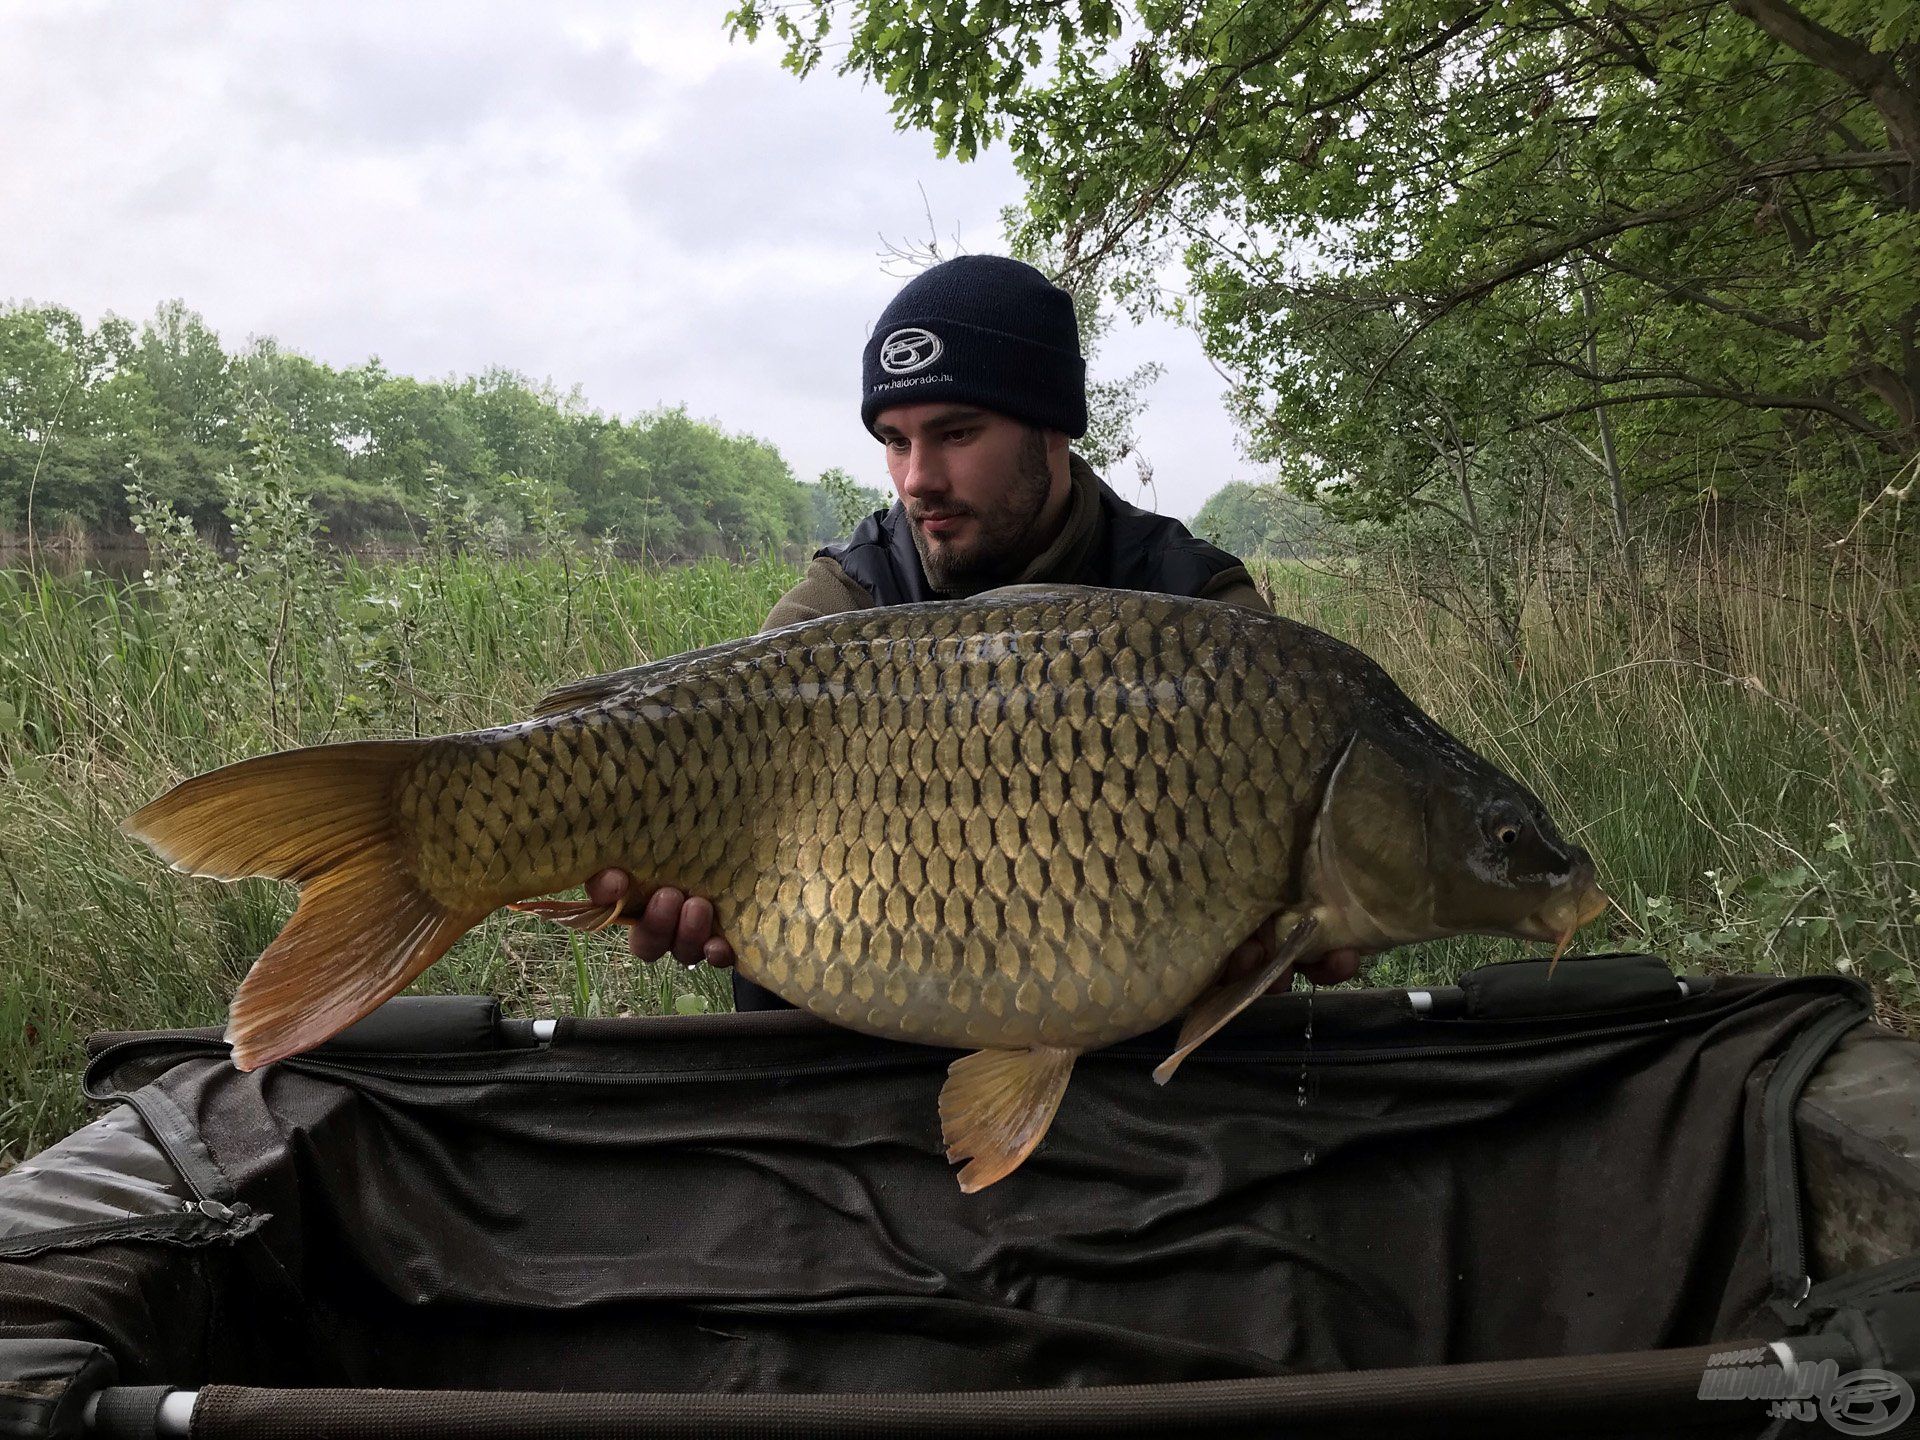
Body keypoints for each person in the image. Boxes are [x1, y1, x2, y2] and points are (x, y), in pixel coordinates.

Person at [586, 254, 1363, 1005]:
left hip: (1126, 1061)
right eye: (895, 441)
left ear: (1052, 428)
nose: (918, 478)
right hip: (861, 1050)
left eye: (956, 433)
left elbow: (1301, 912)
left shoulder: (1204, 614)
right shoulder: (843, 602)